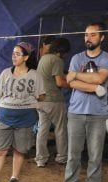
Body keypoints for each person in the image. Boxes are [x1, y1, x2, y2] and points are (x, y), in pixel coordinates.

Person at [58, 22, 108, 182]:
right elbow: (70, 82)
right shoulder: (76, 58)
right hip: (75, 112)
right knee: (73, 153)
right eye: (86, 35)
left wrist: (76, 75)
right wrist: (94, 87)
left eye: (92, 35)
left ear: (102, 37)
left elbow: (100, 78)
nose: (88, 38)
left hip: (98, 114)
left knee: (95, 155)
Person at [0, 42, 45, 182]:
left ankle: (14, 179)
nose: (14, 56)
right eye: (13, 53)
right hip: (5, 117)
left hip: (26, 118)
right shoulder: (5, 74)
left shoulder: (35, 76)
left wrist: (26, 99)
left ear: (26, 57)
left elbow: (41, 96)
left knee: (19, 150)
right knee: (0, 150)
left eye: (18, 54)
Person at [35, 38, 71, 168]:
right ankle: (62, 157)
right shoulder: (57, 60)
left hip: (40, 100)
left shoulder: (44, 58)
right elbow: (59, 82)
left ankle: (40, 159)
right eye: (66, 52)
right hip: (53, 100)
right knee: (61, 129)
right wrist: (75, 85)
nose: (66, 55)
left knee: (42, 130)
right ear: (62, 50)